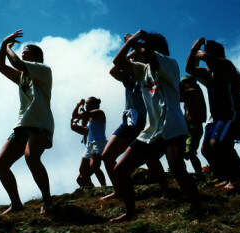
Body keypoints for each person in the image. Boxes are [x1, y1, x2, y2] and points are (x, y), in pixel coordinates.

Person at [110, 30, 201, 222]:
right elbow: (118, 63)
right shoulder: (143, 70)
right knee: (120, 170)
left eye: (143, 45)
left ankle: (198, 208)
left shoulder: (168, 63)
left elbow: (149, 54)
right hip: (151, 130)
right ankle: (130, 212)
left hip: (172, 125)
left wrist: (134, 41)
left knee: (177, 169)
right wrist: (131, 43)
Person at [100, 35, 169, 201]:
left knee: (150, 158)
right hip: (129, 120)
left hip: (146, 120)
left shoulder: (150, 70)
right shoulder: (131, 74)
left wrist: (134, 49)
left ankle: (166, 190)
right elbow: (113, 70)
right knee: (107, 156)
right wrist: (131, 51)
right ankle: (119, 190)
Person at [0, 30, 55, 215]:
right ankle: (16, 203)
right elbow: (0, 66)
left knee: (31, 157)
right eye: (23, 51)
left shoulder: (43, 69)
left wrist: (7, 47)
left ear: (37, 56)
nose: (23, 53)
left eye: (27, 51)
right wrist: (3, 45)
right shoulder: (22, 76)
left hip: (40, 123)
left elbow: (16, 62)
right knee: (1, 164)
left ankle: (47, 200)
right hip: (22, 124)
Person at [185, 37, 240, 191]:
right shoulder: (209, 73)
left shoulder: (226, 66)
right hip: (217, 118)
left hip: (231, 115)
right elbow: (190, 69)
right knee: (206, 149)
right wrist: (194, 49)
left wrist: (200, 52)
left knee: (218, 144)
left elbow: (205, 57)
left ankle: (233, 180)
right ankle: (228, 175)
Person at [71, 97, 107, 187]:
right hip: (89, 145)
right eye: (86, 103)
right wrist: (74, 124)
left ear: (94, 104)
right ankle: (91, 191)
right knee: (82, 172)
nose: (86, 105)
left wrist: (81, 105)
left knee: (94, 166)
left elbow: (81, 114)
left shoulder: (99, 112)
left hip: (99, 143)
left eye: (88, 103)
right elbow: (75, 116)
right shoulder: (89, 119)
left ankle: (104, 187)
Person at [179, 75, 207, 181]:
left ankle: (199, 173)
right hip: (189, 127)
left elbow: (179, 96)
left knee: (190, 151)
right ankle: (185, 173)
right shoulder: (190, 92)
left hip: (194, 126)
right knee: (183, 151)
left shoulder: (193, 91)